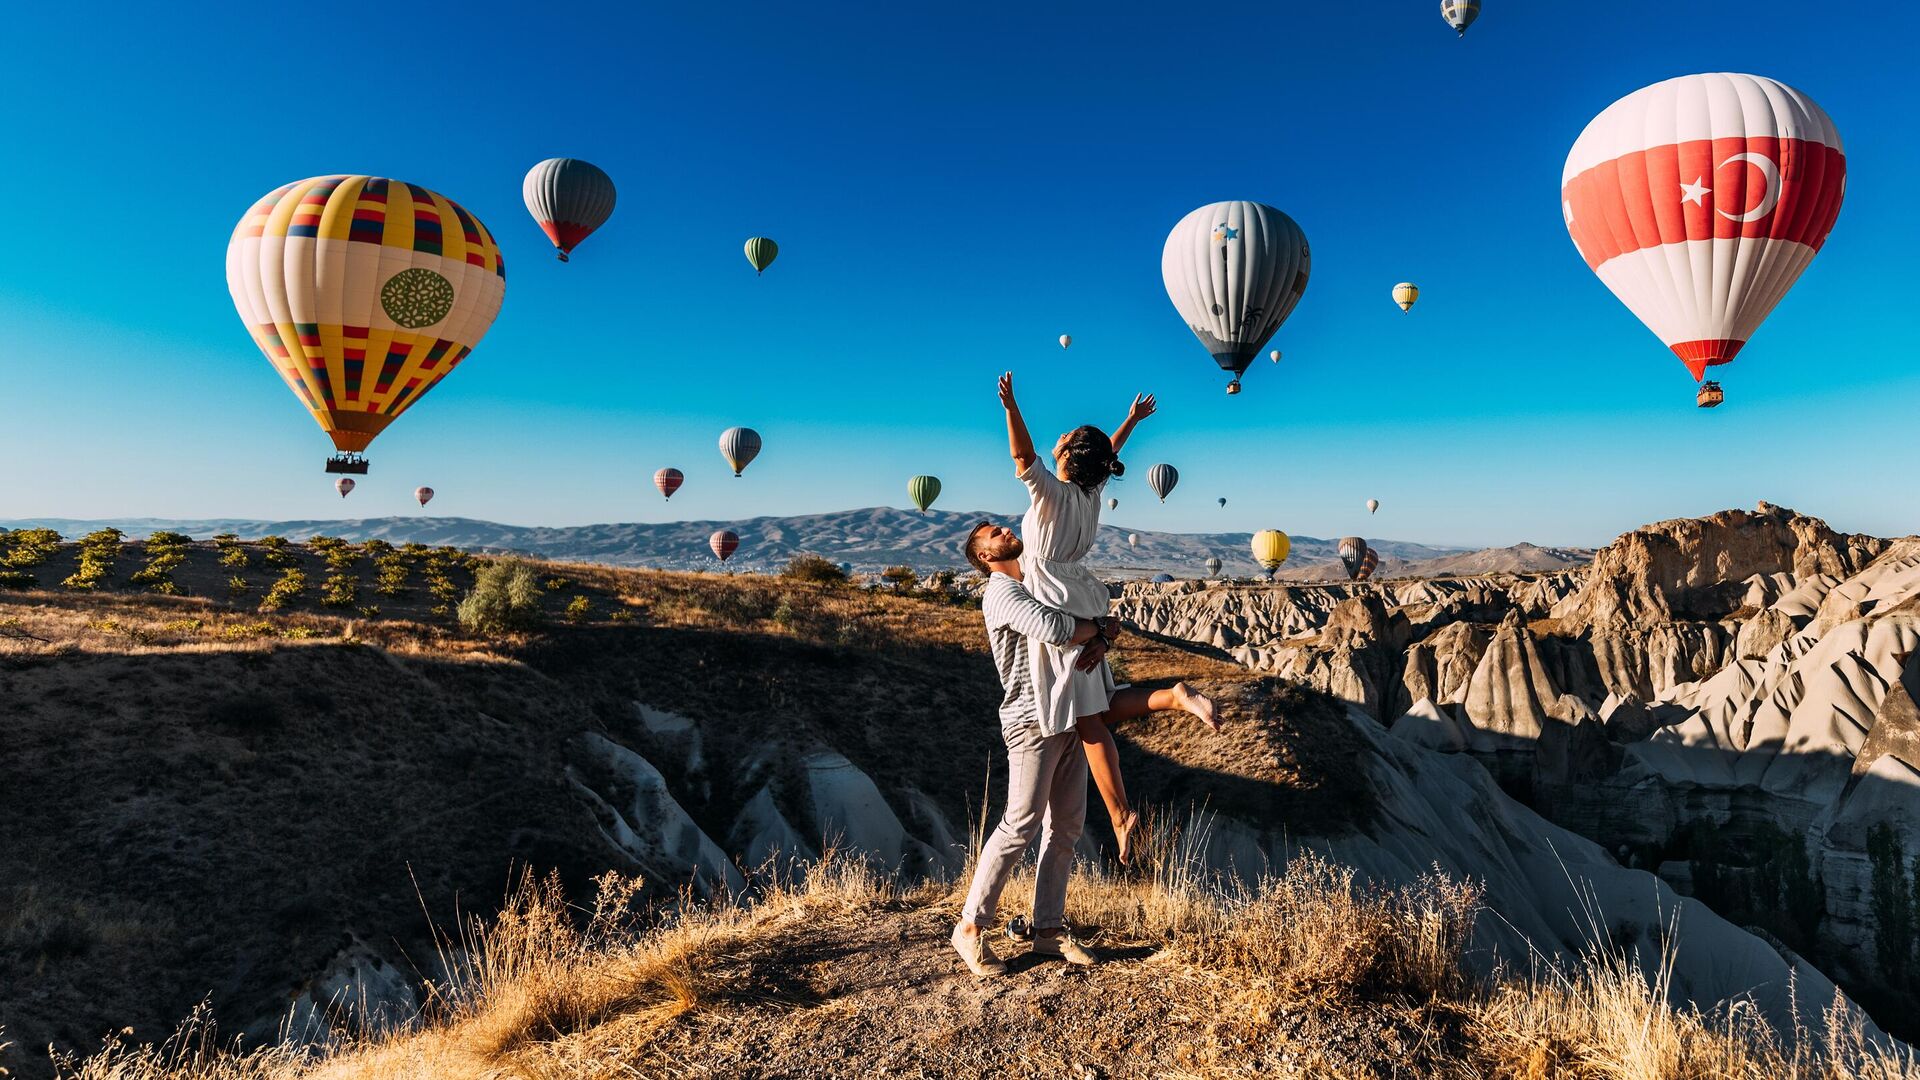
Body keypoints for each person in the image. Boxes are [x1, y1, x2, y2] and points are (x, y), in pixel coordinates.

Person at [953, 522, 1228, 977]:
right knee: (1019, 824)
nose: (1003, 528)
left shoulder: (1040, 583)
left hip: (1067, 715)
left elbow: (1081, 625)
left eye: (1000, 525)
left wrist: (1100, 634)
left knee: (1066, 826)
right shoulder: (1001, 592)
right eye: (991, 533)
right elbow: (1052, 628)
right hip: (1030, 723)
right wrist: (1099, 628)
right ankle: (970, 927)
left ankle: (1047, 931)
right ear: (983, 556)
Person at [995, 373, 1217, 865]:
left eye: (1065, 439)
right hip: (1082, 597)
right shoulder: (1091, 497)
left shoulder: (1051, 494)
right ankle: (1172, 697)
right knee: (1099, 706)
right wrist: (1131, 422)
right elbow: (1104, 455)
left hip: (1055, 602)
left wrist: (1012, 407)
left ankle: (1120, 816)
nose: (1058, 440)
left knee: (1087, 719)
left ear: (1069, 458)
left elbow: (1023, 456)